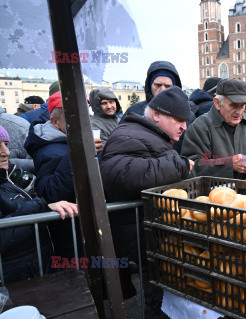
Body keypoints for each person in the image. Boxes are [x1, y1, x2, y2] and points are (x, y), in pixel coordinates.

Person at [100, 86, 194, 307]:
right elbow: (118, 174)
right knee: (158, 298)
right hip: (144, 238)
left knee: (167, 295)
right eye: (179, 119)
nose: (184, 126)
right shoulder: (127, 133)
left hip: (154, 235)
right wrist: (177, 165)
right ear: (157, 114)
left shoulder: (147, 134)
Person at [24, 91, 102, 259]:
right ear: (55, 122)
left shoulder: (69, 141)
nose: (83, 122)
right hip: (71, 235)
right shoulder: (50, 150)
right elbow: (51, 193)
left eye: (84, 115)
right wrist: (76, 154)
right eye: (73, 117)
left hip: (83, 230)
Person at [0, 125, 78, 284]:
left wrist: (45, 207)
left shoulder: (5, 180)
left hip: (32, 273)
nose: (6, 152)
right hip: (16, 285)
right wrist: (41, 207)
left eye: (6, 145)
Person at [181, 78, 246, 179]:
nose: (239, 112)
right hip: (216, 193)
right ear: (218, 103)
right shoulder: (200, 127)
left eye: (243, 105)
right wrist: (229, 164)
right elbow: (192, 166)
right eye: (234, 105)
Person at [122, 61, 195, 153]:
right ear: (150, 86)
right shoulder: (133, 112)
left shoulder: (189, 116)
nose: (162, 89)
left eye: (167, 86)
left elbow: (193, 149)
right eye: (158, 85)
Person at [0, 106, 34, 172]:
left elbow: (39, 161)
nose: (7, 152)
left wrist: (10, 163)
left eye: (6, 144)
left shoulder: (18, 125)